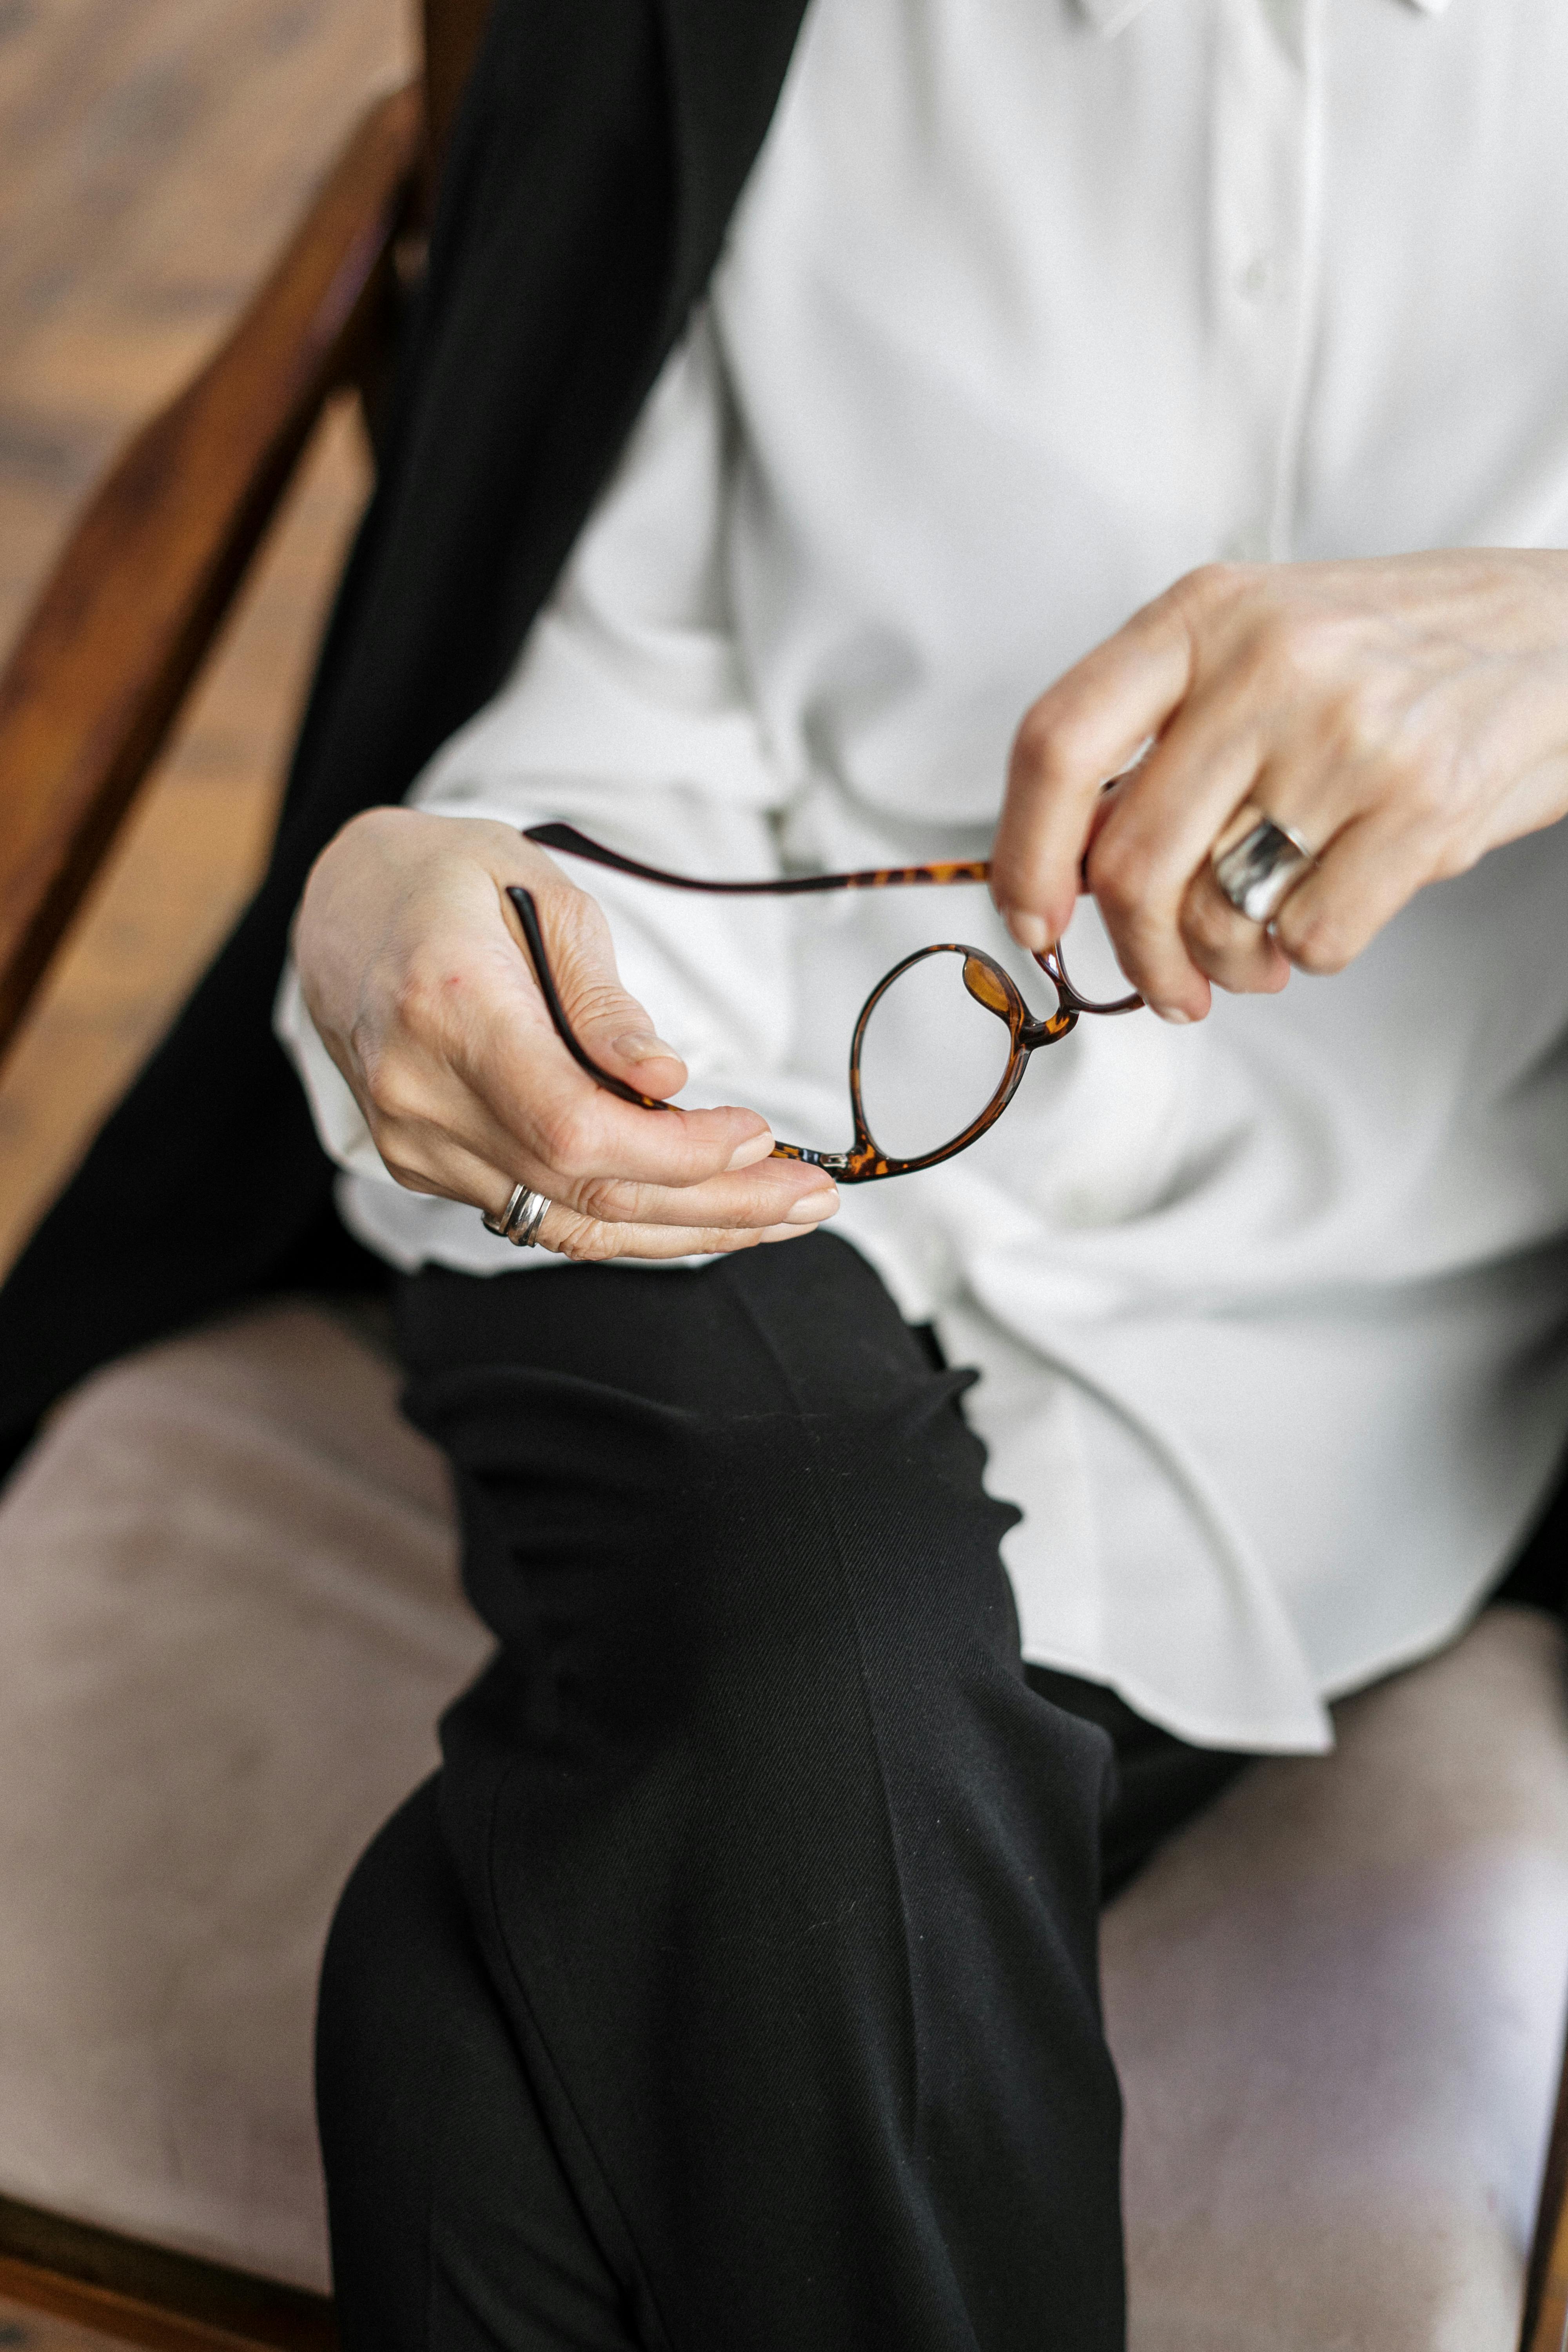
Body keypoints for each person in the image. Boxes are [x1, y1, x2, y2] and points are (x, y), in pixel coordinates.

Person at [7, 0, 1568, 2343]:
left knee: (487, 2022)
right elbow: (599, 672)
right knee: (809, 1585)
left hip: (1353, 1334)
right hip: (679, 1153)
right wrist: (391, 888)